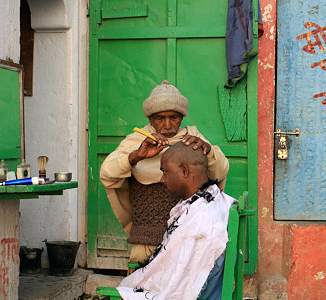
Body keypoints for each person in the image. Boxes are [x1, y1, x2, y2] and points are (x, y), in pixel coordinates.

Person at [100, 80, 229, 264]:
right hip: (147, 241)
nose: (168, 125)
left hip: (190, 241)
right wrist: (136, 156)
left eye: (174, 117)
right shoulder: (136, 141)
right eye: (160, 118)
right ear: (150, 119)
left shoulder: (193, 139)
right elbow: (107, 173)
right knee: (143, 288)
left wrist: (208, 151)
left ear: (182, 117)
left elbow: (220, 172)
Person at [117, 142, 236, 299]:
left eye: (165, 172)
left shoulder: (201, 220)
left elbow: (179, 290)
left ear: (184, 171)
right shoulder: (207, 202)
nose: (162, 179)